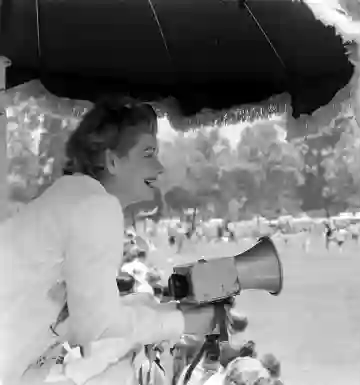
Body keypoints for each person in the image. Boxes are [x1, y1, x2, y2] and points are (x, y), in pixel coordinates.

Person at [0, 98, 217, 385]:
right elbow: (96, 327)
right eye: (148, 154)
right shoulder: (97, 207)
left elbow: (82, 320)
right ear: (112, 160)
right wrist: (183, 321)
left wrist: (164, 311)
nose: (160, 167)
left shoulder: (71, 196)